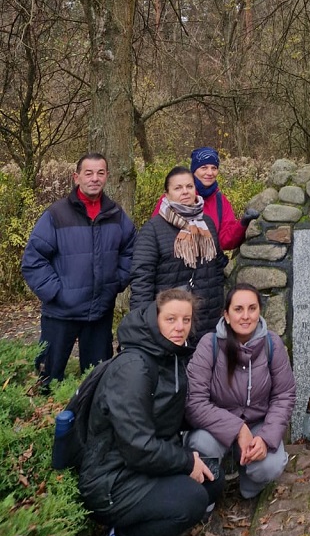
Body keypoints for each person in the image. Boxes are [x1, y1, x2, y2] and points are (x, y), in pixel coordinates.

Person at [78, 288, 222, 536]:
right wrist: (186, 461)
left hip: (143, 465)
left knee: (214, 477)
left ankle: (154, 516)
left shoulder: (171, 355)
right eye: (171, 319)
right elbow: (138, 446)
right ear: (155, 319)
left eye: (186, 320)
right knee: (192, 501)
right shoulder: (134, 368)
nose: (180, 327)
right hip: (112, 479)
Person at [22, 153, 136, 389]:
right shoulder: (56, 214)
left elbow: (131, 251)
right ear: (77, 177)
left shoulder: (116, 215)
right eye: (89, 173)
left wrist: (115, 283)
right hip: (60, 314)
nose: (95, 178)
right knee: (46, 380)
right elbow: (33, 260)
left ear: (107, 176)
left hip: (99, 313)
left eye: (100, 173)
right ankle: (45, 424)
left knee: (96, 383)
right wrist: (57, 293)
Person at [185, 283, 296, 501]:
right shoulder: (210, 345)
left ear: (259, 312)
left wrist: (265, 438)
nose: (245, 316)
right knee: (200, 444)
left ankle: (249, 484)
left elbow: (284, 395)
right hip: (216, 427)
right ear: (226, 315)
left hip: (258, 424)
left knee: (271, 465)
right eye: (238, 309)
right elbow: (194, 402)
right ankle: (208, 492)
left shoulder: (272, 344)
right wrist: (237, 429)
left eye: (252, 308)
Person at [130, 166, 227, 341]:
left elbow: (217, 267)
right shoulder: (153, 230)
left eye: (189, 186)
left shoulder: (207, 224)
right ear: (166, 195)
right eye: (178, 188)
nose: (185, 192)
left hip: (209, 321)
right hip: (173, 324)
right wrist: (145, 326)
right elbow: (142, 281)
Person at [152, 147, 245, 251]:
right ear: (194, 170)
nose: (210, 173)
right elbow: (155, 234)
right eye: (204, 168)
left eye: (214, 168)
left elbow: (224, 241)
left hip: (207, 263)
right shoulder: (174, 196)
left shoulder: (221, 201)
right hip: (173, 260)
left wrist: (243, 224)